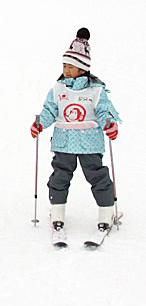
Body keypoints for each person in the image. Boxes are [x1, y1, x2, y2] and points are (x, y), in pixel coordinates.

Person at [30, 28, 121, 241]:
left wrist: (110, 124)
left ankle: (106, 212)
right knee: (60, 177)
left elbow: (104, 110)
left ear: (83, 69)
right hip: (64, 142)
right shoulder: (58, 88)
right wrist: (40, 124)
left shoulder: (95, 90)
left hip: (89, 143)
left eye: (71, 67)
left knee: (97, 177)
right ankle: (58, 211)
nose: (67, 70)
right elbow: (50, 110)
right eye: (64, 66)